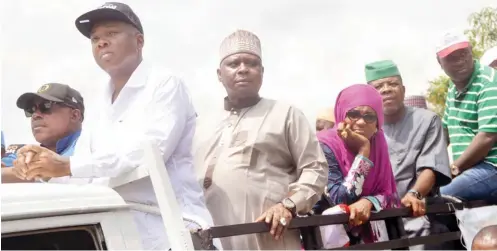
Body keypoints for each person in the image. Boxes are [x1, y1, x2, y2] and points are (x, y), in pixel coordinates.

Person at [11, 2, 217, 250]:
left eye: (112, 33)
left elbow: (148, 154)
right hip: (123, 235)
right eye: (95, 38)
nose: (101, 42)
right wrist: (40, 169)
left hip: (173, 231)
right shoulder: (100, 104)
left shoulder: (164, 85)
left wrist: (66, 165)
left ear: (139, 41)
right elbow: (84, 179)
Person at [195, 29, 327, 250]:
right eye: (234, 63)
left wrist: (288, 205)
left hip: (270, 240)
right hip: (213, 241)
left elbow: (316, 168)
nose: (243, 69)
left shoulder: (286, 114)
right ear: (219, 74)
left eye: (252, 63)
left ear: (262, 72)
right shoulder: (201, 125)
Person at [365, 60, 452, 249]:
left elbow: (431, 166)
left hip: (417, 214)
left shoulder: (427, 120)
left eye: (393, 84)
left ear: (403, 89)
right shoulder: (365, 129)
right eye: (379, 86)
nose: (386, 89)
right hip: (378, 220)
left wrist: (414, 194)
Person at [313, 84, 399, 244]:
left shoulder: (379, 143)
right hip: (327, 239)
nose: (361, 122)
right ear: (341, 116)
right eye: (353, 114)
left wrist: (369, 202)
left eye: (369, 116)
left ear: (377, 123)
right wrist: (363, 152)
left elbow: (388, 193)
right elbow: (340, 199)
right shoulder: (325, 145)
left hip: (369, 237)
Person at [437, 30, 497, 203]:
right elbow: (444, 132)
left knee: (439, 197)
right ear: (440, 63)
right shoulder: (454, 87)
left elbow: (486, 137)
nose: (460, 60)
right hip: (473, 169)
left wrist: (455, 168)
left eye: (464, 53)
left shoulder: (489, 81)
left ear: (471, 51)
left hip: (491, 167)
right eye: (452, 58)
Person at [2, 83, 83, 180]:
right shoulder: (24, 153)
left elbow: (103, 166)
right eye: (31, 109)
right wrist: (22, 168)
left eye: (46, 106)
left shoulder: (95, 147)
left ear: (74, 115)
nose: (35, 115)